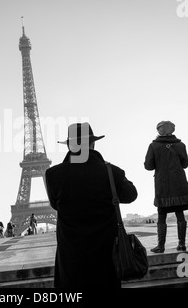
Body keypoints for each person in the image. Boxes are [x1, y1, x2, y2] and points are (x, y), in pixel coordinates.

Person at [45, 122, 138, 288]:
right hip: (106, 256)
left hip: (71, 258)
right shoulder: (110, 172)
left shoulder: (53, 175)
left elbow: (55, 205)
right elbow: (131, 195)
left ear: (70, 146)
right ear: (93, 144)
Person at [144, 121, 188, 253]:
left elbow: (148, 166)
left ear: (160, 131)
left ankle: (161, 246)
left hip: (163, 185)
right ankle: (182, 244)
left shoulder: (154, 146)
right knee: (180, 214)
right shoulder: (181, 145)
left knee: (162, 215)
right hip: (179, 183)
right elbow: (185, 164)